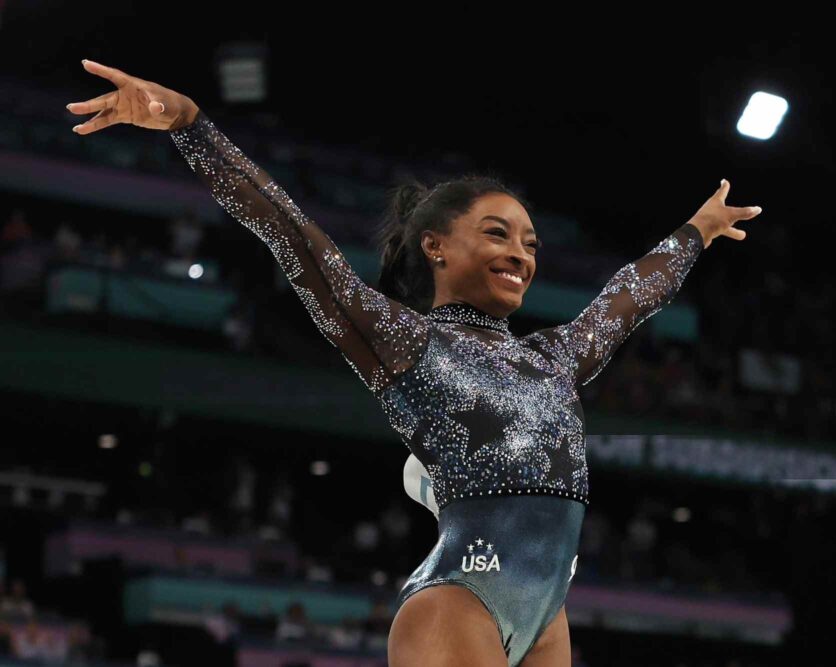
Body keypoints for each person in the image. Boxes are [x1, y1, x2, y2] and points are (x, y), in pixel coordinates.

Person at [67, 58, 761, 667]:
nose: (521, 254)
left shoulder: (554, 357)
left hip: (545, 613)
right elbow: (291, 236)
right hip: (459, 602)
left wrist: (697, 231)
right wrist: (191, 125)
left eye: (530, 243)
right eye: (497, 234)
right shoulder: (405, 341)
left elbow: (626, 299)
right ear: (435, 246)